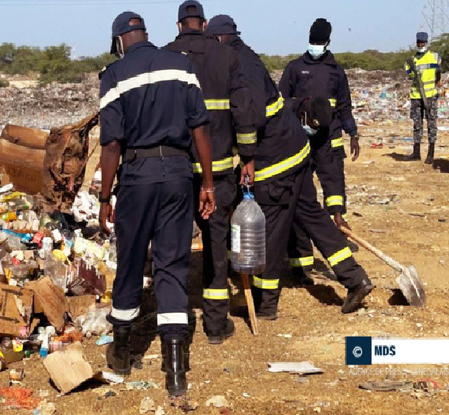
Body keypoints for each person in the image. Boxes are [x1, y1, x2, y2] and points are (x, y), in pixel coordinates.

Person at [206, 15, 373, 320]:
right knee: (312, 216)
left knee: (270, 231)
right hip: (297, 152)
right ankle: (355, 278)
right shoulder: (247, 57)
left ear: (218, 39)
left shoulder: (236, 65)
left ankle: (265, 304)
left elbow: (247, 117)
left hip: (276, 162)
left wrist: (246, 157)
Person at [98, 11, 215, 397]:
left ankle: (122, 352)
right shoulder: (181, 66)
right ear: (146, 34)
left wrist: (104, 196)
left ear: (118, 42)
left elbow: (112, 143)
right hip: (179, 174)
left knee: (131, 259)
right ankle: (175, 370)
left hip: (138, 176)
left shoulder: (113, 77)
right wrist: (208, 183)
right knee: (172, 264)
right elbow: (200, 126)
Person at [165, 0, 254, 345]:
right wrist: (248, 155)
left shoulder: (166, 58)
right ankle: (216, 326)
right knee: (216, 246)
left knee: (172, 246)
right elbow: (243, 110)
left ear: (178, 25)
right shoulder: (226, 57)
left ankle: (175, 324)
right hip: (217, 174)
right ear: (203, 24)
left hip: (174, 171)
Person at [279, 18, 358, 284]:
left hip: (329, 139)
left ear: (327, 42)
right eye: (313, 42)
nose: (316, 46)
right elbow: (282, 104)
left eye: (319, 42)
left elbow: (344, 105)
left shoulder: (336, 70)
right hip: (300, 143)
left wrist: (353, 132)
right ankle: (301, 264)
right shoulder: (294, 69)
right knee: (302, 196)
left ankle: (340, 230)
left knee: (334, 186)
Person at [404, 31, 442, 164]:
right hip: (416, 96)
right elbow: (410, 76)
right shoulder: (410, 61)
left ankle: (431, 153)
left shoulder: (435, 57)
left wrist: (437, 83)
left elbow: (438, 74)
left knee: (431, 124)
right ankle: (416, 152)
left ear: (426, 43)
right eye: (418, 42)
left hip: (430, 96)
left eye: (422, 42)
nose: (420, 44)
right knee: (417, 124)